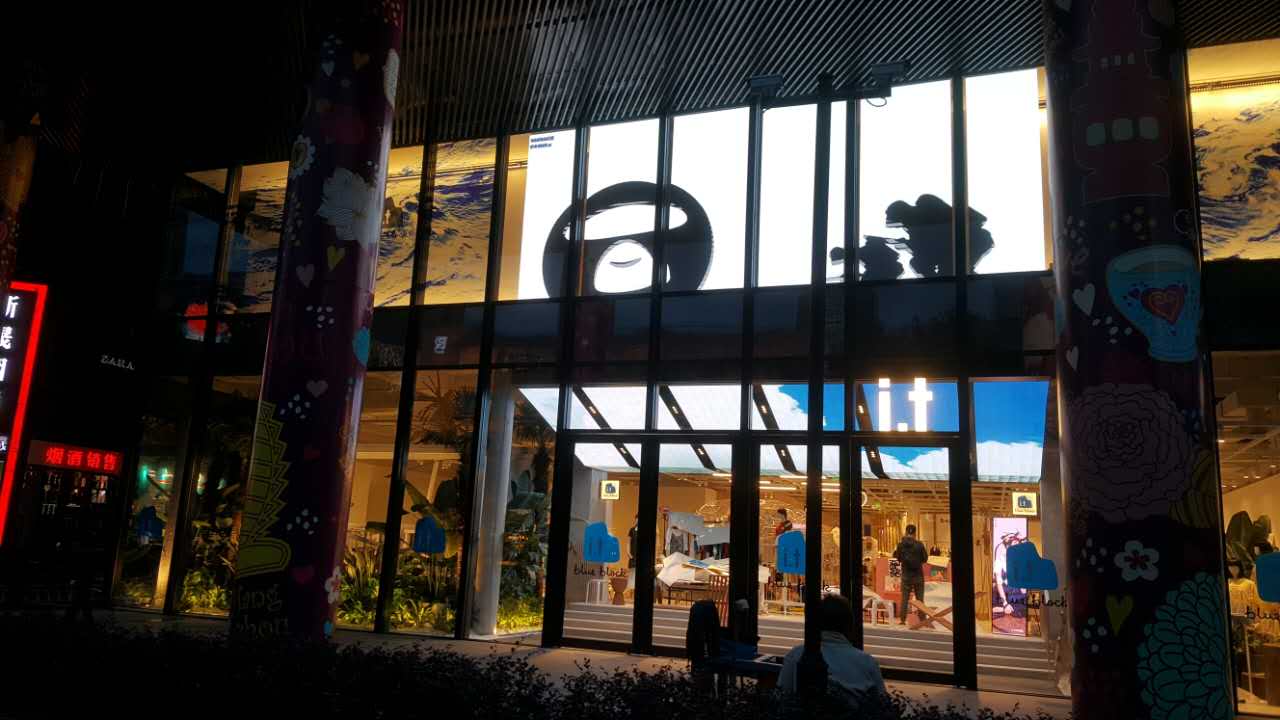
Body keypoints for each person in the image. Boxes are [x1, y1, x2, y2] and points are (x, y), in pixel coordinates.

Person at [779, 595, 885, 702]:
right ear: (849, 625)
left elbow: (781, 696)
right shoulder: (867, 662)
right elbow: (883, 703)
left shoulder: (796, 655)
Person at [893, 524, 927, 626]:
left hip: (906, 575)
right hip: (918, 575)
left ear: (906, 532)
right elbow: (925, 559)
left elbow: (898, 558)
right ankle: (922, 620)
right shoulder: (919, 545)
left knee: (904, 598)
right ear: (915, 533)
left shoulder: (900, 545)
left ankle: (902, 620)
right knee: (920, 599)